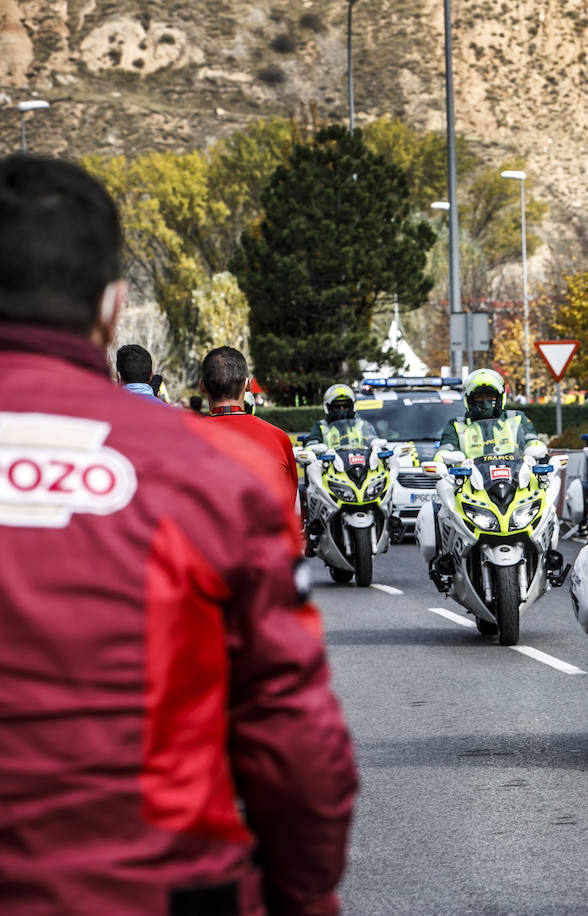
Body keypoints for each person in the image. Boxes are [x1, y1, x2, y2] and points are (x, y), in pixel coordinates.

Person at [0, 155, 355, 914]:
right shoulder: (205, 472)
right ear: (111, 306)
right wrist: (305, 898)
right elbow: (292, 736)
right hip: (159, 889)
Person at [201, 346, 299, 501]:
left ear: (202, 386)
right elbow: (290, 505)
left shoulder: (181, 440)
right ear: (248, 385)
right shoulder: (278, 439)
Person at [438, 367, 538, 456]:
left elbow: (533, 442)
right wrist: (444, 457)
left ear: (500, 398)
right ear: (469, 399)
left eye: (490, 396)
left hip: (515, 475)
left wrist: (537, 448)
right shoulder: (457, 425)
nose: (485, 401)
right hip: (471, 476)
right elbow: (444, 452)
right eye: (479, 396)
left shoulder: (516, 418)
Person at [304, 383, 378, 448]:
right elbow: (311, 446)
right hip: (330, 463)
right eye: (337, 407)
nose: (342, 410)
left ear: (352, 407)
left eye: (345, 406)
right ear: (329, 408)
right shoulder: (321, 427)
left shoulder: (361, 425)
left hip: (360, 462)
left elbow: (372, 441)